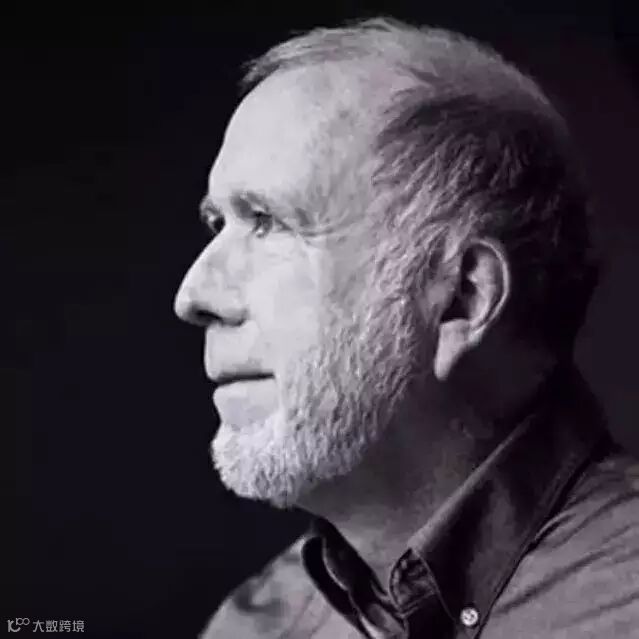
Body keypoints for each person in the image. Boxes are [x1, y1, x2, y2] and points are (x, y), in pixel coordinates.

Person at [173, 17, 639, 638]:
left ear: (462, 299)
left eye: (267, 222)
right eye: (217, 224)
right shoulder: (254, 627)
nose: (193, 297)